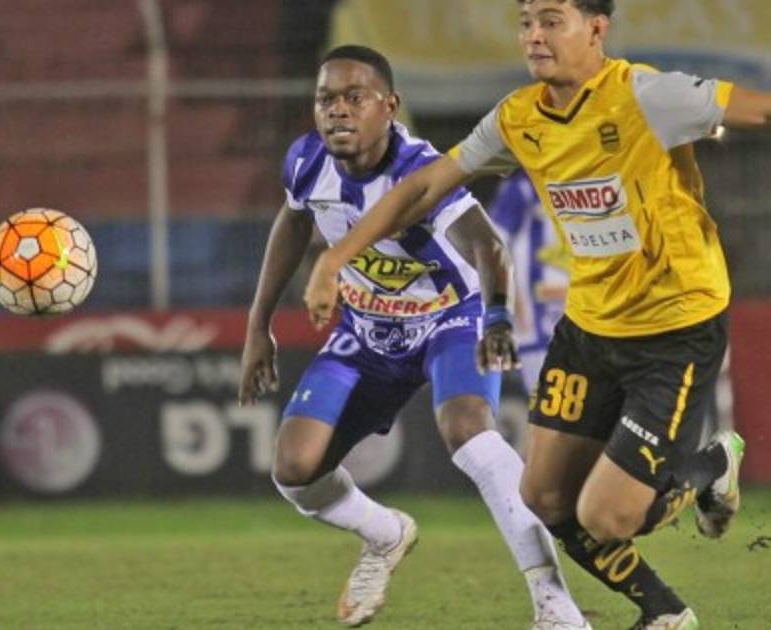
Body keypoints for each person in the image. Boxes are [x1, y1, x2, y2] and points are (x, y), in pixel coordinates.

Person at [301, 2, 771, 628]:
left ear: (597, 28)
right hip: (589, 328)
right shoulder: (517, 117)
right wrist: (336, 259)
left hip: (675, 329)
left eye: (551, 20)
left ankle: (709, 466)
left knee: (608, 516)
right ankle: (664, 613)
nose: (533, 35)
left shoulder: (649, 96)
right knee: (543, 497)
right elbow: (422, 186)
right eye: (526, 21)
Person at [238, 45, 588, 630]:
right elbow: (294, 221)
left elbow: (488, 246)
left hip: (449, 317)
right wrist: (258, 326)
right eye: (326, 99)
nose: (338, 110)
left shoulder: (419, 170)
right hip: (367, 329)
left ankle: (554, 604)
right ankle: (385, 534)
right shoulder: (306, 161)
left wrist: (496, 317)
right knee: (295, 470)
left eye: (355, 97)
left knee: (469, 432)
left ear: (389, 106)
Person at [486, 170, 570, 394]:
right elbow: (494, 243)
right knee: (549, 399)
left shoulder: (590, 176)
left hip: (580, 307)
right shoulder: (524, 187)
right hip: (536, 315)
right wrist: (510, 299)